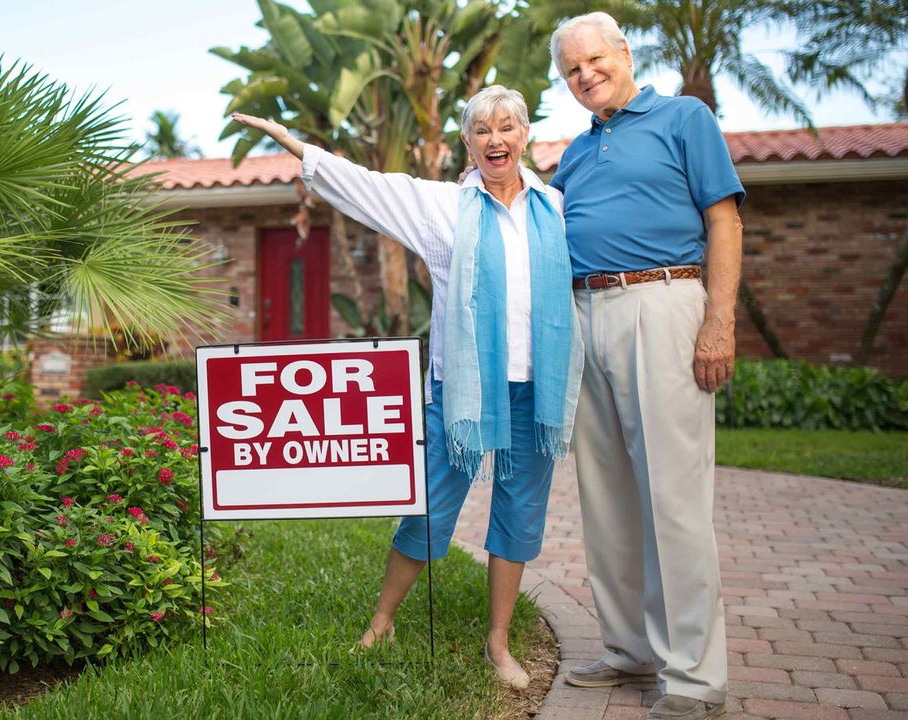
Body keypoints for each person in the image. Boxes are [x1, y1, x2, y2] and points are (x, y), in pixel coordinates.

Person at [232, 84, 583, 690]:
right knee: (429, 503)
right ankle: (383, 621)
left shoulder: (553, 206)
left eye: (506, 127)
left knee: (520, 510)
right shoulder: (441, 205)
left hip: (535, 385)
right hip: (463, 390)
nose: (495, 139)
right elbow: (365, 185)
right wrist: (296, 146)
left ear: (525, 133)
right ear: (467, 143)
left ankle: (497, 641)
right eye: (482, 130)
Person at [547, 12, 744, 720]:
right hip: (583, 315)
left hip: (663, 303)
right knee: (605, 496)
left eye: (594, 60)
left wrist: (717, 320)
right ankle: (629, 648)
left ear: (625, 53)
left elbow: (725, 219)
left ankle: (693, 678)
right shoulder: (572, 153)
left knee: (674, 499)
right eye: (571, 70)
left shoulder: (684, 118)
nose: (585, 75)